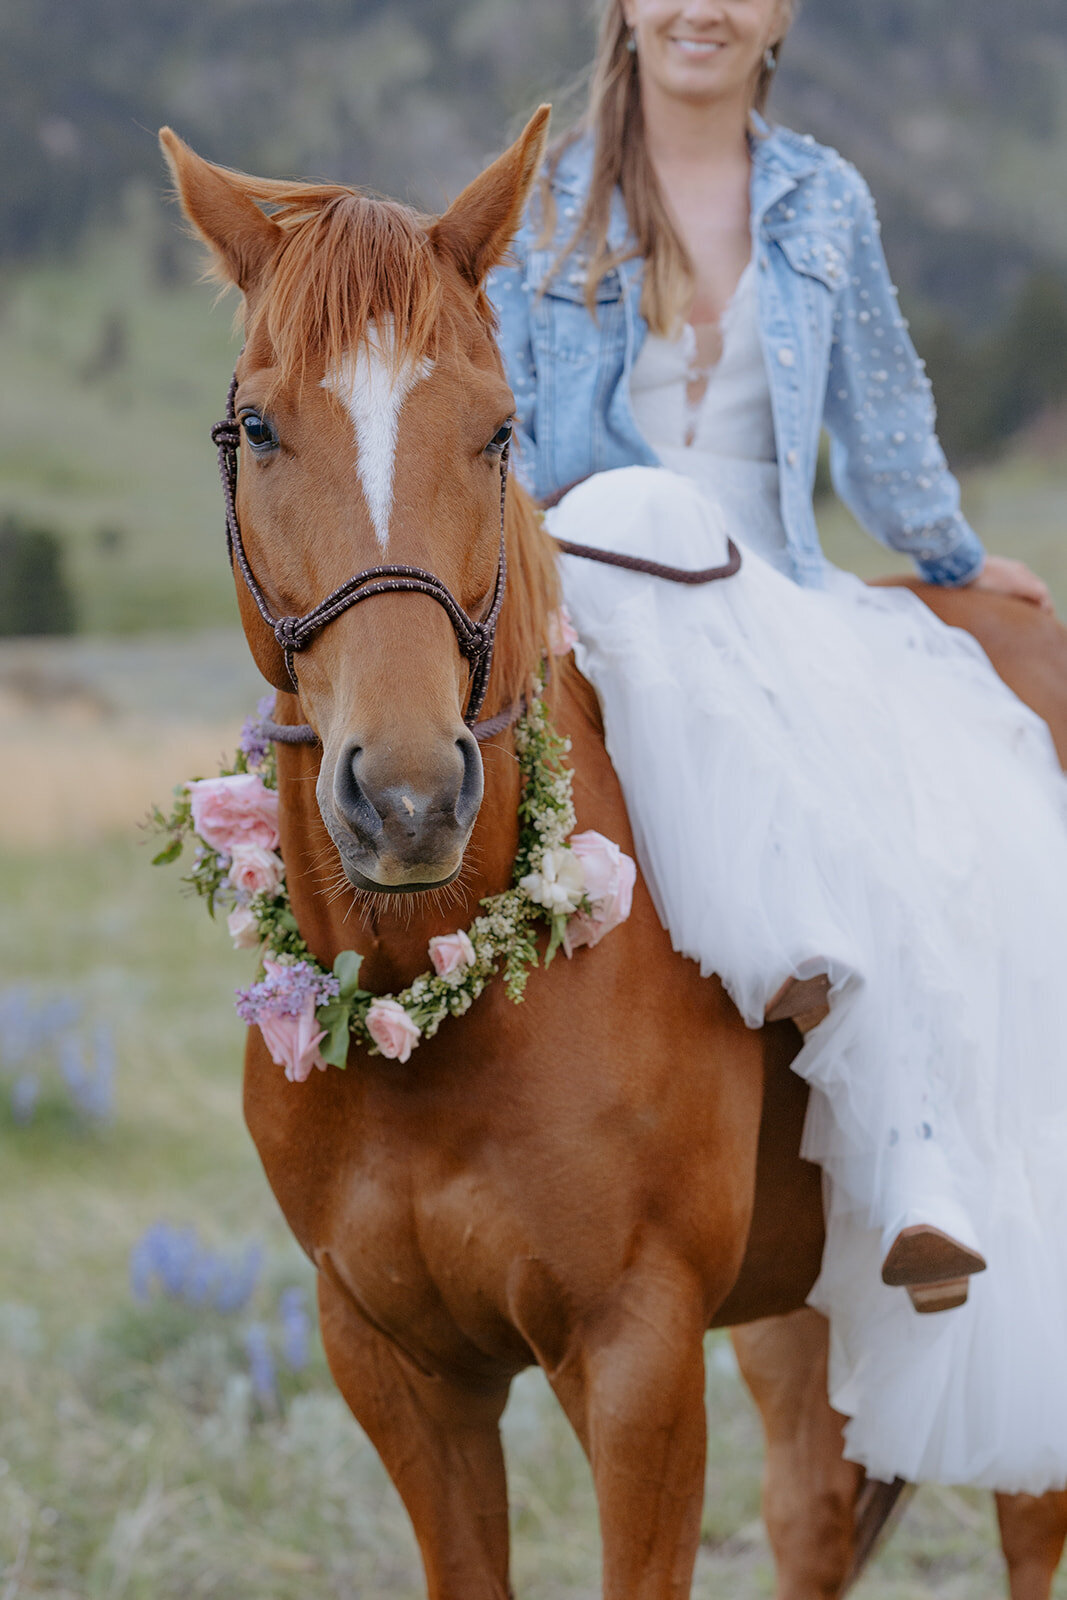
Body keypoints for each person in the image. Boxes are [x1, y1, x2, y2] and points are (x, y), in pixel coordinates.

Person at [488, 0, 1067, 1493]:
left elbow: (883, 422)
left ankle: (921, 1158)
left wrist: (951, 555)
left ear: (783, 14)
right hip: (599, 595)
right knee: (632, 512)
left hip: (774, 595)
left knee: (946, 802)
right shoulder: (542, 206)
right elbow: (494, 443)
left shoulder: (822, 198)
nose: (703, 8)